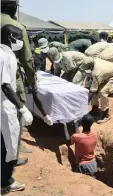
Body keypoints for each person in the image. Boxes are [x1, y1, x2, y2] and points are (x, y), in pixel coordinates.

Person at [2, 0, 52, 166]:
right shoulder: (16, 27)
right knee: (13, 118)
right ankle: (11, 159)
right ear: (14, 8)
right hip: (10, 79)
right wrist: (32, 82)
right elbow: (27, 59)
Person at [1, 24, 34, 193]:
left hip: (4, 106)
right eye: (20, 39)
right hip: (4, 107)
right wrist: (22, 108)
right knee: (9, 143)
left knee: (3, 143)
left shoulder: (6, 54)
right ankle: (5, 181)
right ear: (11, 38)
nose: (21, 42)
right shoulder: (4, 56)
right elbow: (6, 86)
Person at [88, 59, 113, 123]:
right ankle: (95, 109)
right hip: (108, 75)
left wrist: (86, 101)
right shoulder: (93, 60)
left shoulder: (97, 72)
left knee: (103, 92)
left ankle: (105, 115)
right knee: (96, 91)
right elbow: (94, 88)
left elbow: (92, 90)